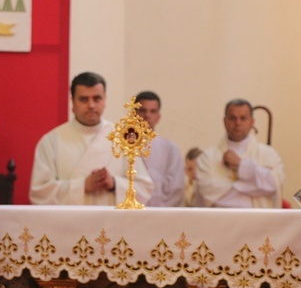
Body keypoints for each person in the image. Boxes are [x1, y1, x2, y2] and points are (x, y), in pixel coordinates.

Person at [30, 72, 153, 205]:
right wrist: (82, 186)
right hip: (68, 222)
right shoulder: (51, 141)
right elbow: (39, 194)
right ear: (73, 102)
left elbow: (144, 189)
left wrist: (114, 184)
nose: (91, 105)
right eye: (84, 99)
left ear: (105, 100)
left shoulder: (123, 138)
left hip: (112, 222)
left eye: (97, 98)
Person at [196, 98, 284, 208]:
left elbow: (273, 185)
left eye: (243, 118)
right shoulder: (207, 157)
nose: (237, 123)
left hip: (258, 223)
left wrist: (242, 165)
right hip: (221, 222)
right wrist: (257, 184)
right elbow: (208, 191)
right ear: (224, 121)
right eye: (232, 118)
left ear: (252, 122)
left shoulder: (268, 155)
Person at [135, 91, 185, 207]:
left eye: (152, 111)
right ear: (133, 114)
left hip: (161, 214)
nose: (147, 115)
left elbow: (176, 189)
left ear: (158, 117)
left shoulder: (171, 149)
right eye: (143, 110)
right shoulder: (123, 146)